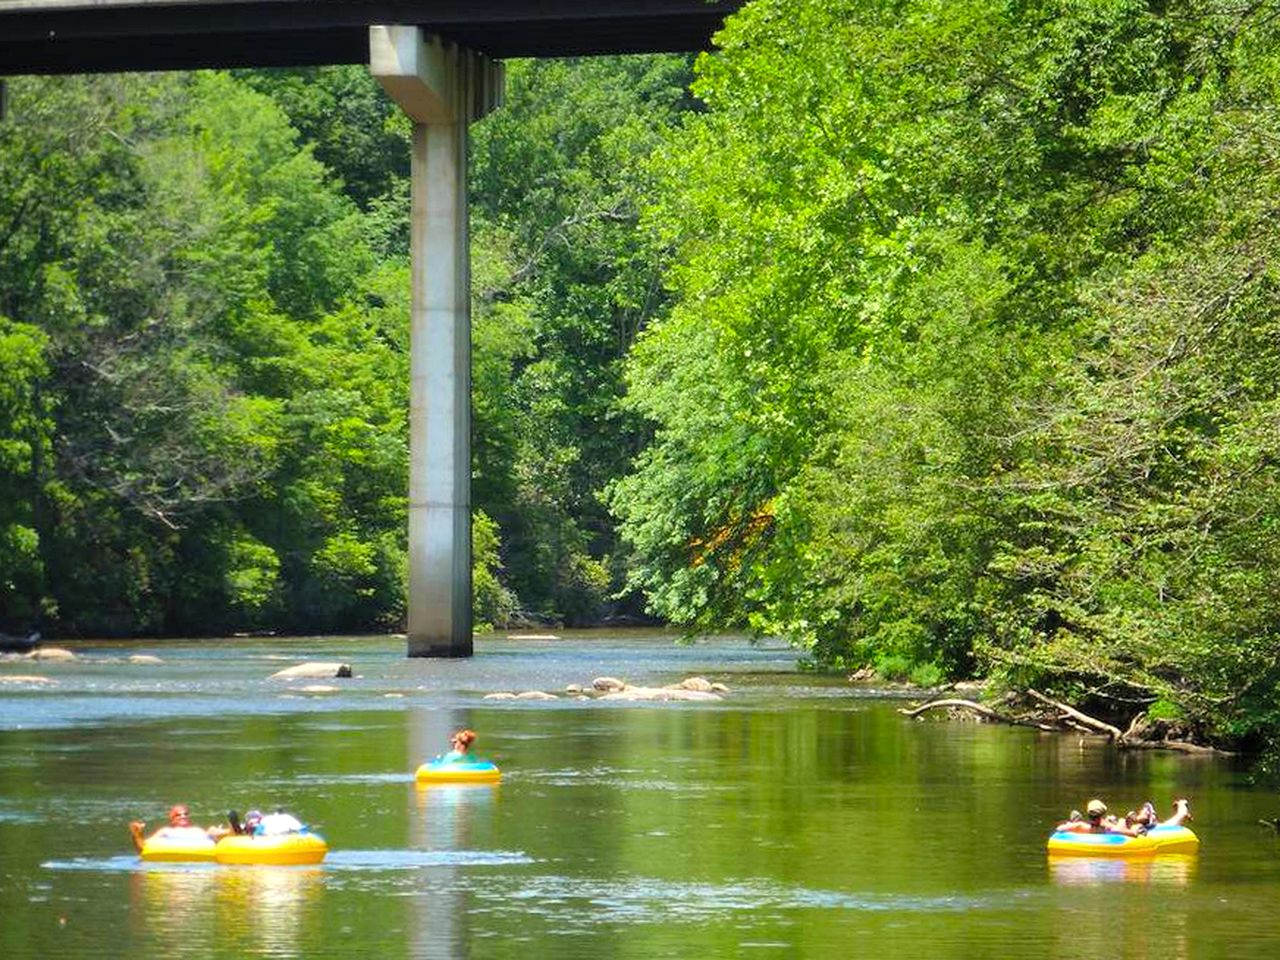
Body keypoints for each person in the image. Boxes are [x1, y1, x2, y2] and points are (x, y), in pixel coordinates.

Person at [129, 804, 229, 852]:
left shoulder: (197, 830)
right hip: (176, 847)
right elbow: (145, 847)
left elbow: (216, 844)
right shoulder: (166, 831)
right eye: (178, 815)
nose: (183, 816)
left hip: (203, 846)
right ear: (172, 818)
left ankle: (233, 830)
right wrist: (137, 835)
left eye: (185, 814)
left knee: (212, 830)